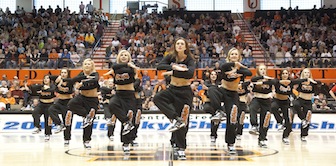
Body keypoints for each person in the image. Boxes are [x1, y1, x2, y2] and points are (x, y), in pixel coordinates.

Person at [153, 37, 196, 160]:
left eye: (182, 43)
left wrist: (172, 72)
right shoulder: (171, 57)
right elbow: (159, 66)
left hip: (185, 92)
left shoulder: (190, 59)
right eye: (178, 43)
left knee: (184, 120)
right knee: (157, 98)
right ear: (175, 45)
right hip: (172, 89)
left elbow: (190, 74)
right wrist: (176, 68)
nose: (180, 45)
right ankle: (174, 118)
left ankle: (181, 148)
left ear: (186, 46)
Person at [208, 47, 252, 153]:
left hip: (233, 94)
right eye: (232, 54)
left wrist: (239, 66)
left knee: (232, 118)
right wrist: (234, 65)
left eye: (236, 54)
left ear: (239, 56)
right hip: (223, 90)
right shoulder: (225, 66)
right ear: (229, 56)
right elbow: (223, 67)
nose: (234, 56)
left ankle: (230, 143)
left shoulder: (241, 69)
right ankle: (219, 111)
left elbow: (249, 73)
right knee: (211, 89)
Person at [105, 50, 139, 154]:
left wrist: (131, 67)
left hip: (129, 95)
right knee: (111, 104)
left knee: (129, 115)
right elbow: (114, 69)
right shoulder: (115, 66)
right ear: (119, 57)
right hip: (119, 93)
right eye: (122, 55)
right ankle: (126, 122)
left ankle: (126, 143)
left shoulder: (131, 67)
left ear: (129, 57)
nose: (124, 56)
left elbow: (136, 73)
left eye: (126, 55)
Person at [270, 69, 311, 145]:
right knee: (273, 107)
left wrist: (307, 79)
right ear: (281, 75)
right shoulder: (277, 82)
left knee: (288, 121)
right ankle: (280, 122)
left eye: (286, 73)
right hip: (277, 100)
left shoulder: (291, 82)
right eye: (283, 73)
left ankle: (285, 137)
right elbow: (271, 82)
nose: (285, 75)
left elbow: (298, 81)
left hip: (286, 102)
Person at [67, 58, 99, 149]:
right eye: (85, 64)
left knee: (89, 123)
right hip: (82, 97)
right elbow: (74, 81)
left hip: (92, 99)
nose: (87, 65)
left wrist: (82, 83)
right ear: (83, 66)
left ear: (92, 66)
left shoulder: (95, 74)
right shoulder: (80, 74)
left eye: (89, 64)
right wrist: (77, 86)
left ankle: (86, 140)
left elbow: (95, 80)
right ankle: (86, 115)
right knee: (71, 104)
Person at [249, 64, 274, 148]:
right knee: (252, 108)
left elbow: (274, 82)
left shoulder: (269, 79)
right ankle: (254, 125)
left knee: (266, 119)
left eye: (264, 69)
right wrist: (261, 79)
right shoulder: (255, 79)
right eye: (261, 69)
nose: (262, 70)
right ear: (258, 71)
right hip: (257, 98)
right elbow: (252, 80)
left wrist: (263, 81)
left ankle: (262, 139)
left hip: (266, 101)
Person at [48, 69, 75, 146]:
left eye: (65, 72)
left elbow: (68, 90)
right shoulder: (58, 79)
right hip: (60, 101)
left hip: (68, 102)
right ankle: (59, 124)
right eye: (62, 72)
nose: (63, 74)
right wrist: (57, 81)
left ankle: (67, 139)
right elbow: (49, 77)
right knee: (51, 109)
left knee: (67, 120)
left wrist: (60, 83)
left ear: (68, 74)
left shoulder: (70, 81)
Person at [292, 68, 318, 142]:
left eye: (308, 73)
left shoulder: (313, 82)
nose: (306, 74)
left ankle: (303, 135)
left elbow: (318, 84)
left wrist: (313, 81)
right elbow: (293, 83)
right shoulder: (300, 81)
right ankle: (303, 119)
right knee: (295, 104)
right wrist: (302, 80)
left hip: (308, 101)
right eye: (305, 72)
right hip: (301, 99)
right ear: (303, 74)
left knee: (308, 117)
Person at [200, 71, 223, 144]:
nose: (213, 76)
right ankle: (218, 112)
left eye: (215, 74)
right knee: (215, 114)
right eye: (212, 74)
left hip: (217, 102)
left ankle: (213, 135)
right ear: (209, 76)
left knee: (216, 118)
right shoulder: (206, 82)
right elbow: (208, 89)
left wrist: (209, 88)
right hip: (208, 103)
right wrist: (215, 88)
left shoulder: (219, 83)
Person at [31, 75, 56, 142]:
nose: (45, 79)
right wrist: (41, 89)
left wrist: (43, 90)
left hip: (50, 104)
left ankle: (47, 134)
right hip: (41, 104)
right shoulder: (41, 86)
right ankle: (38, 127)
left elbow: (52, 90)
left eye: (47, 78)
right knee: (35, 112)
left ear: (50, 80)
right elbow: (33, 87)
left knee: (47, 119)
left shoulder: (52, 86)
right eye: (44, 78)